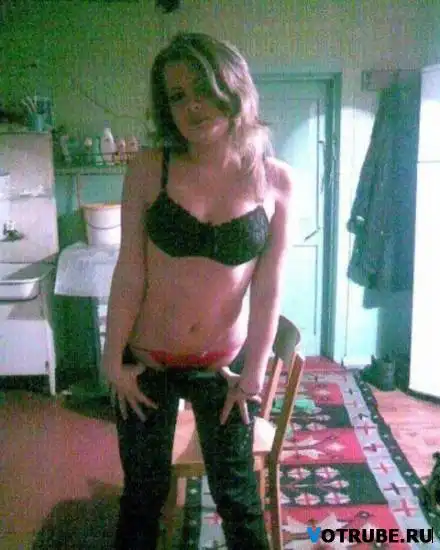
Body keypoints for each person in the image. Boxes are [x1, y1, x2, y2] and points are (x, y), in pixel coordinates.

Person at [102, 32, 295, 550]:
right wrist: (111, 360)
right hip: (147, 363)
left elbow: (269, 289)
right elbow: (129, 272)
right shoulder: (149, 168)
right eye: (177, 95)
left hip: (223, 370)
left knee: (239, 501)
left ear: (234, 86)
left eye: (204, 88)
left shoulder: (276, 181)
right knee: (142, 498)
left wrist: (255, 372)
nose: (192, 105)